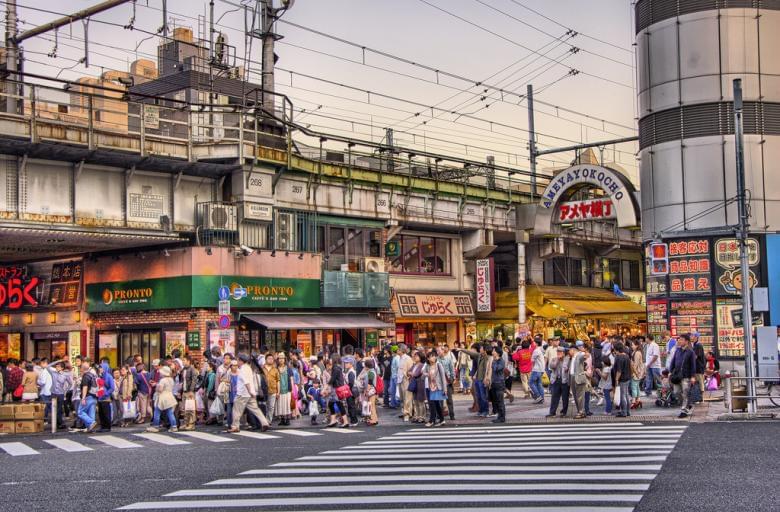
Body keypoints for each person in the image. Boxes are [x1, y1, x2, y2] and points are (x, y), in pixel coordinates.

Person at [228, 353, 271, 432]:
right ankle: (265, 423)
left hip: (242, 394)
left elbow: (246, 382)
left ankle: (235, 426)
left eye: (238, 359)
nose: (237, 361)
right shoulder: (248, 368)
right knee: (256, 409)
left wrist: (250, 391)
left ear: (241, 361)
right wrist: (252, 392)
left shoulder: (242, 370)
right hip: (250, 393)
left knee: (236, 410)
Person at [669, 334, 698, 418]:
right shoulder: (677, 350)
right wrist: (670, 371)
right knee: (676, 392)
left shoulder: (690, 352)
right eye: (679, 339)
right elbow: (673, 361)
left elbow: (693, 365)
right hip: (677, 375)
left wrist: (693, 376)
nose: (679, 341)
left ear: (686, 341)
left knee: (685, 393)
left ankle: (684, 410)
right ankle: (688, 404)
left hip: (686, 375)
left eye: (681, 340)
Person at [146, 366, 178, 433]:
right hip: (170, 396)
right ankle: (174, 426)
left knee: (157, 412)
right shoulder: (171, 379)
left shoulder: (163, 380)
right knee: (170, 412)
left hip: (162, 397)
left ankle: (155, 427)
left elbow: (160, 389)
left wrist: (156, 386)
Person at [424, 351, 448, 427]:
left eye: (434, 356)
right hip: (431, 387)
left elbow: (443, 377)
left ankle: (432, 420)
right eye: (431, 356)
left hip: (438, 387)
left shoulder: (438, 365)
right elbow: (423, 373)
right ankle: (442, 420)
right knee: (436, 404)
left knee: (433, 404)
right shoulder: (427, 366)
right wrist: (427, 374)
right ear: (428, 358)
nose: (434, 357)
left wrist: (445, 389)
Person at [547, 345, 571, 418]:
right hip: (556, 380)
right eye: (558, 352)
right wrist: (557, 359)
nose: (559, 353)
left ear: (564, 353)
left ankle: (563, 412)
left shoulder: (568, 359)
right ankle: (552, 412)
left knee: (565, 398)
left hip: (565, 380)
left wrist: (568, 369)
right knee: (554, 397)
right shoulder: (554, 359)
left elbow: (570, 368)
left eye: (560, 352)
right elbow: (552, 366)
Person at [74, 361, 98, 433]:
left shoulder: (85, 376)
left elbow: (85, 387)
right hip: (94, 396)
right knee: (91, 413)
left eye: (80, 368)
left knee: (80, 412)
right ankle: (90, 428)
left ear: (82, 368)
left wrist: (83, 398)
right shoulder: (93, 375)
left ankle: (91, 422)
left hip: (87, 396)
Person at [570, 340, 590, 419]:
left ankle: (581, 411)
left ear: (573, 350)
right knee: (575, 396)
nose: (569, 352)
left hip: (579, 377)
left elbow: (587, 355)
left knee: (580, 396)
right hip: (573, 377)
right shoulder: (573, 357)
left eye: (570, 350)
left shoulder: (579, 355)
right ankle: (580, 411)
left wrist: (583, 350)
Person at [179, 355, 198, 431]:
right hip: (184, 391)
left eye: (184, 360)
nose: (183, 362)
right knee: (184, 408)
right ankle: (185, 423)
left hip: (190, 392)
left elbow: (194, 380)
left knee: (191, 409)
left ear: (188, 361)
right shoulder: (183, 369)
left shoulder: (192, 369)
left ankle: (191, 424)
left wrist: (191, 390)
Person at [436, 345, 456, 421]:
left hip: (447, 381)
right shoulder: (436, 360)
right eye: (437, 351)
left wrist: (453, 378)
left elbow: (452, 369)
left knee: (449, 400)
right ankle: (440, 415)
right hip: (439, 382)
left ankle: (452, 415)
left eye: (439, 350)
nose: (438, 352)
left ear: (443, 350)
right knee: (440, 400)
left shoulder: (448, 359)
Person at [613, 342, 632, 417]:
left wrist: (616, 379)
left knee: (622, 395)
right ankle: (627, 411)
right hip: (627, 377)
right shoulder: (626, 356)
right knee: (626, 394)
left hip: (622, 378)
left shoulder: (619, 358)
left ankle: (624, 412)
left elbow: (619, 371)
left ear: (617, 350)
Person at [489, 346, 507, 423]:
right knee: (496, 401)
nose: (492, 352)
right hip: (494, 383)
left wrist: (494, 361)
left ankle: (502, 417)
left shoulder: (501, 361)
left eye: (494, 351)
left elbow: (496, 369)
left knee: (500, 401)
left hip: (499, 383)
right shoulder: (495, 360)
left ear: (497, 353)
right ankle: (499, 416)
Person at [396, 345, 414, 422]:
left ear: (402, 350)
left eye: (398, 349)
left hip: (406, 380)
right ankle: (404, 412)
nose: (397, 350)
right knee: (402, 398)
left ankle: (408, 413)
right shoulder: (400, 358)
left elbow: (411, 370)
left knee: (407, 397)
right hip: (400, 379)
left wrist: (407, 377)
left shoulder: (408, 358)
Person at [409, 351, 427, 424]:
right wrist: (411, 373)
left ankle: (422, 416)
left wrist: (411, 374)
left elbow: (416, 374)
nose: (415, 357)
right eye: (414, 356)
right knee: (415, 401)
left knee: (420, 401)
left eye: (416, 356)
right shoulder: (414, 365)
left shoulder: (422, 365)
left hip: (420, 384)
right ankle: (417, 415)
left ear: (420, 357)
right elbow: (408, 372)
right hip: (414, 384)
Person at [262, 354, 280, 424]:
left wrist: (278, 392)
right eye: (269, 358)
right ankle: (263, 420)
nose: (270, 360)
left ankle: (268, 421)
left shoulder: (275, 370)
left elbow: (278, 381)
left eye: (272, 359)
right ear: (266, 359)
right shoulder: (261, 368)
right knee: (264, 406)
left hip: (273, 390)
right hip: (263, 391)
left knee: (271, 407)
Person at [630, 339, 646, 410]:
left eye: (632, 345)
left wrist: (634, 372)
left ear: (636, 345)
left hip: (636, 371)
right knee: (637, 386)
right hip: (638, 371)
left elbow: (635, 364)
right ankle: (638, 400)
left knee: (634, 386)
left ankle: (634, 401)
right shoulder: (637, 352)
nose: (631, 346)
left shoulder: (637, 353)